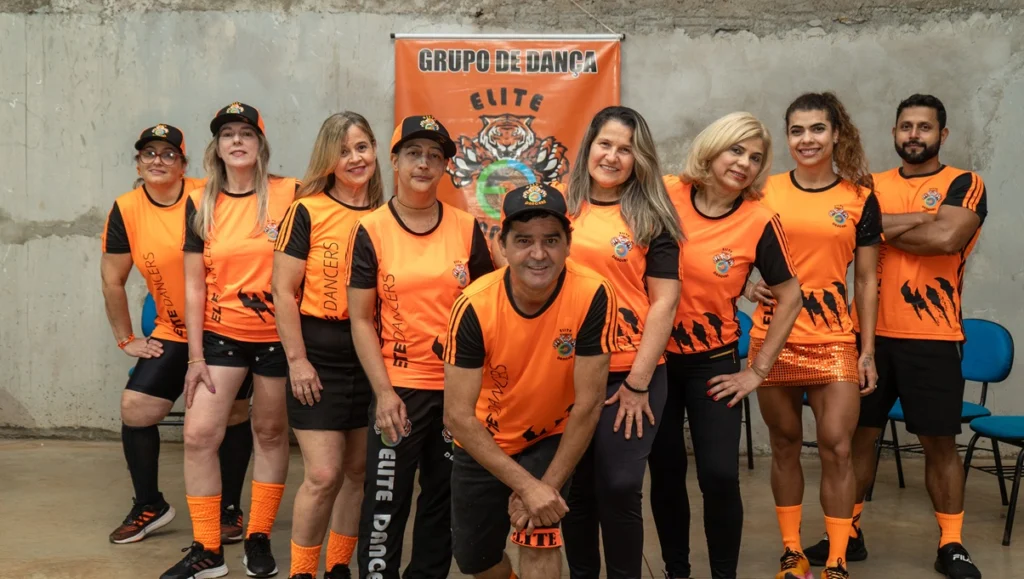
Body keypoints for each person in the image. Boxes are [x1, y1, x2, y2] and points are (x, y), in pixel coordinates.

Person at [804, 94, 987, 579]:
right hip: (864, 336)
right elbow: (845, 234)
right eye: (906, 126)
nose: (914, 135)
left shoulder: (964, 183)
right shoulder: (869, 185)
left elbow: (947, 238)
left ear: (942, 135)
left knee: (939, 444)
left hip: (934, 336)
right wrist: (923, 219)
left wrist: (879, 229)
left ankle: (951, 544)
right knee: (854, 439)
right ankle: (849, 534)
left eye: (924, 127)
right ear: (894, 132)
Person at [648, 112, 803, 579]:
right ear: (712, 148)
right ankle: (676, 571)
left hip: (713, 365)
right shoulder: (667, 193)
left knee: (718, 475)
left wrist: (756, 370)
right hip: (655, 360)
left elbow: (792, 296)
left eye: (755, 157)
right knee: (666, 471)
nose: (744, 163)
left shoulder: (759, 220)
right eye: (736, 150)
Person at [444, 183, 617, 579]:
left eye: (551, 240)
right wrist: (526, 486)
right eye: (524, 240)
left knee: (540, 531)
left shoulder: (593, 293)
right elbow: (457, 416)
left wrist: (545, 488)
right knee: (476, 560)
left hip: (550, 435)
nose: (539, 254)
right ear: (502, 245)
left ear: (568, 245)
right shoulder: (473, 305)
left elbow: (589, 404)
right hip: (485, 438)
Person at [346, 115, 494, 579]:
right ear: (394, 161)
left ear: (446, 166)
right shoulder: (371, 228)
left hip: (457, 393)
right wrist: (384, 394)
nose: (424, 163)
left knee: (443, 500)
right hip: (399, 391)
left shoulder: (466, 228)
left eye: (434, 155)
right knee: (385, 501)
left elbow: (488, 309)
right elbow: (360, 319)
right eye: (413, 153)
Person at [161, 102, 297, 579]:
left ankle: (258, 535)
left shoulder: (290, 194)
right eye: (227, 134)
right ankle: (208, 548)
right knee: (198, 435)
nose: (237, 141)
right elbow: (193, 285)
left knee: (271, 434)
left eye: (246, 133)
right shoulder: (200, 202)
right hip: (223, 337)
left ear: (260, 144)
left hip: (279, 338)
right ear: (216, 147)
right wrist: (194, 356)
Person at [747, 92, 881, 579]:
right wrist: (744, 286)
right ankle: (792, 552)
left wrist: (867, 350)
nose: (807, 139)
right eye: (797, 130)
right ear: (787, 137)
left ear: (836, 133)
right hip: (772, 340)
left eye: (817, 129)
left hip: (834, 341)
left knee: (838, 447)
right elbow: (726, 248)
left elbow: (866, 280)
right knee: (784, 445)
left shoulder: (860, 197)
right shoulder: (762, 192)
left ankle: (838, 559)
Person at [101, 125, 253, 547]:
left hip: (225, 328)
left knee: (234, 414)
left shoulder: (208, 194)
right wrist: (125, 338)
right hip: (174, 329)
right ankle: (149, 505)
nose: (158, 161)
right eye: (148, 153)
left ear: (184, 164)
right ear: (137, 164)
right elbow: (112, 279)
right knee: (136, 407)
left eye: (168, 154)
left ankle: (228, 508)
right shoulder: (126, 209)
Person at [558, 105, 684, 579]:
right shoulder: (559, 207)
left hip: (631, 374)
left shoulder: (653, 218)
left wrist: (637, 382)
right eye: (605, 144)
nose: (612, 156)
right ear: (588, 147)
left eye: (625, 149)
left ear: (639, 159)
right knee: (575, 489)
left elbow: (664, 304)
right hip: (567, 373)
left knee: (620, 485)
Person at [272, 112, 384, 579]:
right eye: (343, 151)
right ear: (327, 159)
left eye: (362, 147)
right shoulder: (307, 210)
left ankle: (338, 568)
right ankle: (302, 571)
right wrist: (297, 360)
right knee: (322, 475)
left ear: (375, 151)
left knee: (358, 472)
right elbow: (283, 291)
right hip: (318, 352)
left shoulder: (386, 215)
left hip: (371, 354)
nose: (355, 158)